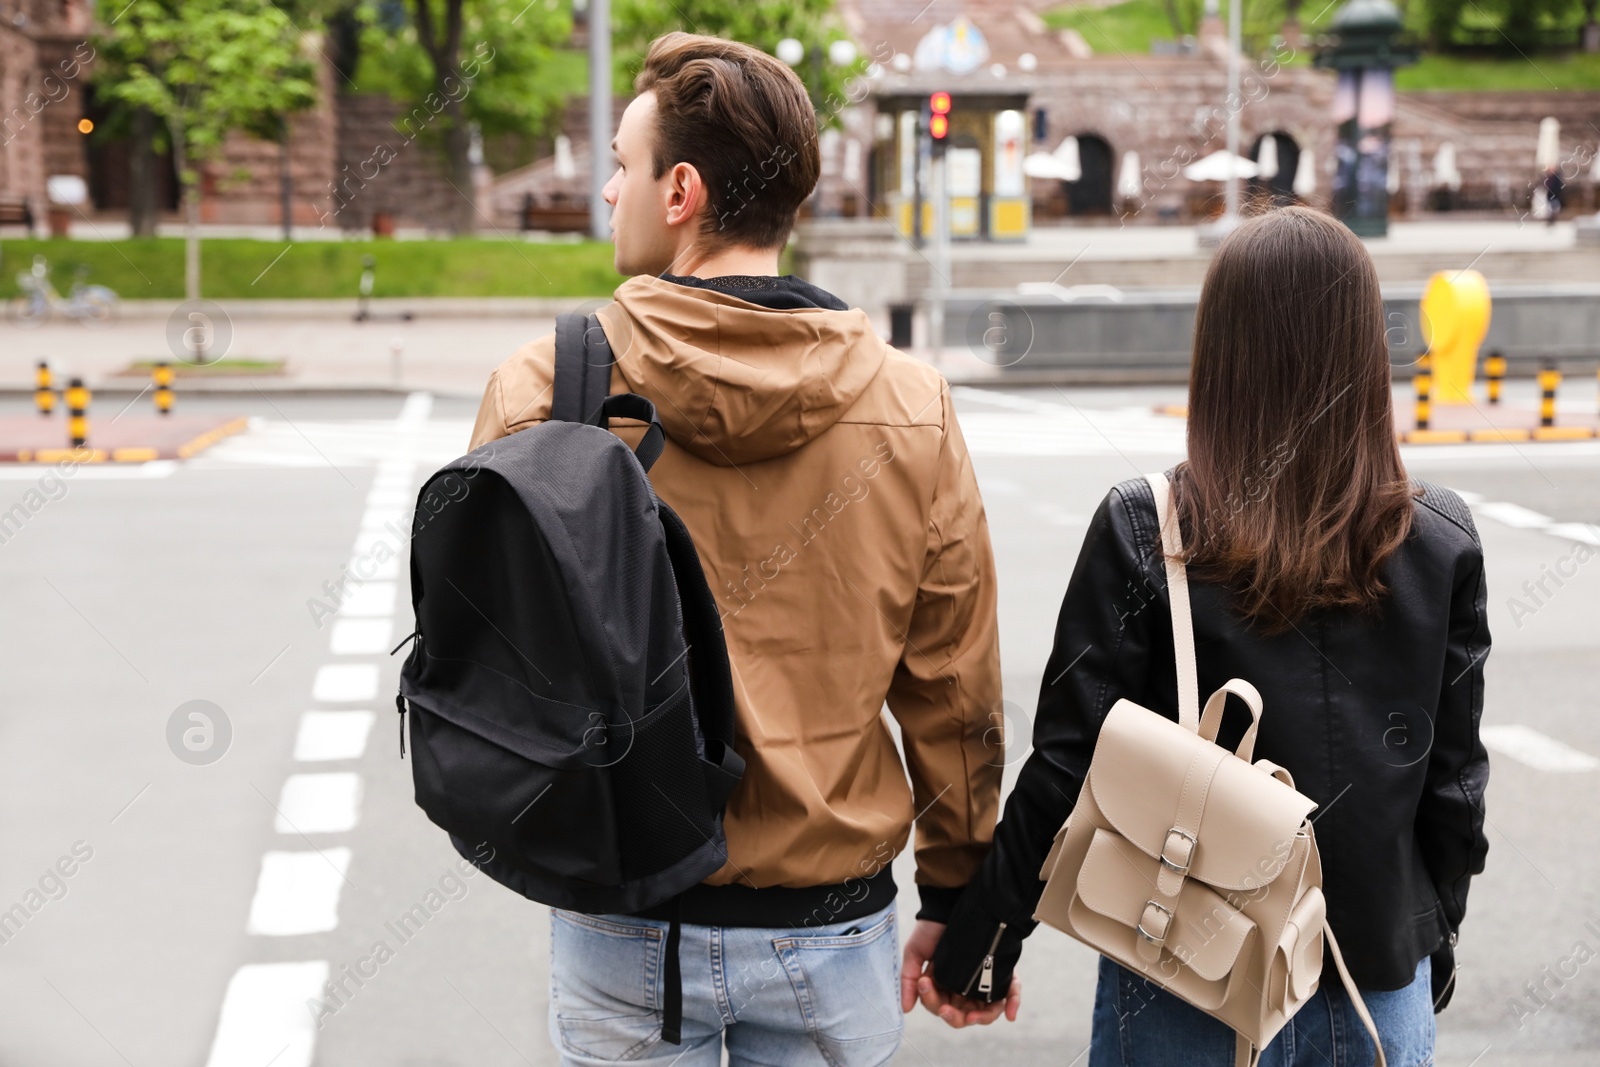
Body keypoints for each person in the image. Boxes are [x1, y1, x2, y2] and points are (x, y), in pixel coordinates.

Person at [469, 31, 1004, 1067]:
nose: (607, 186)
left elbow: (494, 653)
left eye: (621, 163)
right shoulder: (910, 406)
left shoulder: (545, 389)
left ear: (680, 189)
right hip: (831, 927)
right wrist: (957, 887)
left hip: (625, 910)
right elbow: (953, 687)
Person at [914, 206, 1491, 1066]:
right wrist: (1426, 936)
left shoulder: (1149, 525)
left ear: (1220, 349)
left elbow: (1067, 770)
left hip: (1186, 980)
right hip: (1374, 983)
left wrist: (981, 947)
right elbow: (1455, 789)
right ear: (1366, 352)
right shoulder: (1438, 538)